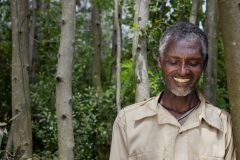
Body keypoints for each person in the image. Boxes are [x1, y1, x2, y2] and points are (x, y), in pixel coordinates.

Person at [109, 22, 236, 160]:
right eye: (174, 62)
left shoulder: (223, 125)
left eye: (193, 63)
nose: (182, 71)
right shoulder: (128, 121)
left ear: (204, 63)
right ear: (160, 60)